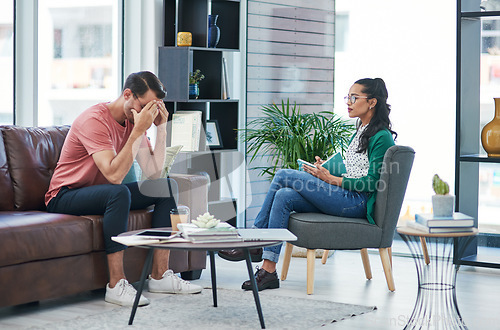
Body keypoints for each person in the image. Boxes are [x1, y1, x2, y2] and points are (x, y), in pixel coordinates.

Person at [219, 78, 397, 291]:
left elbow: (372, 182)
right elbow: (354, 171)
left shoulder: (382, 136)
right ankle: (268, 271)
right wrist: (327, 170)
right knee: (284, 195)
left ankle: (256, 241)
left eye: (354, 97)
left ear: (372, 102)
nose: (348, 102)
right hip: (344, 195)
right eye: (347, 97)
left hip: (357, 202)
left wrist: (330, 179)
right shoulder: (362, 130)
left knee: (284, 174)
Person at [45, 71, 202, 307]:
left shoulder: (134, 121)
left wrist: (161, 129)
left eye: (154, 108)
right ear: (127, 94)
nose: (148, 113)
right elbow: (114, 175)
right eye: (145, 106)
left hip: (103, 194)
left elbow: (154, 174)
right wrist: (139, 131)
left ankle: (160, 275)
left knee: (165, 186)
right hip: (64, 195)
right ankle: (116, 285)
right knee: (119, 192)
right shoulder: (95, 120)